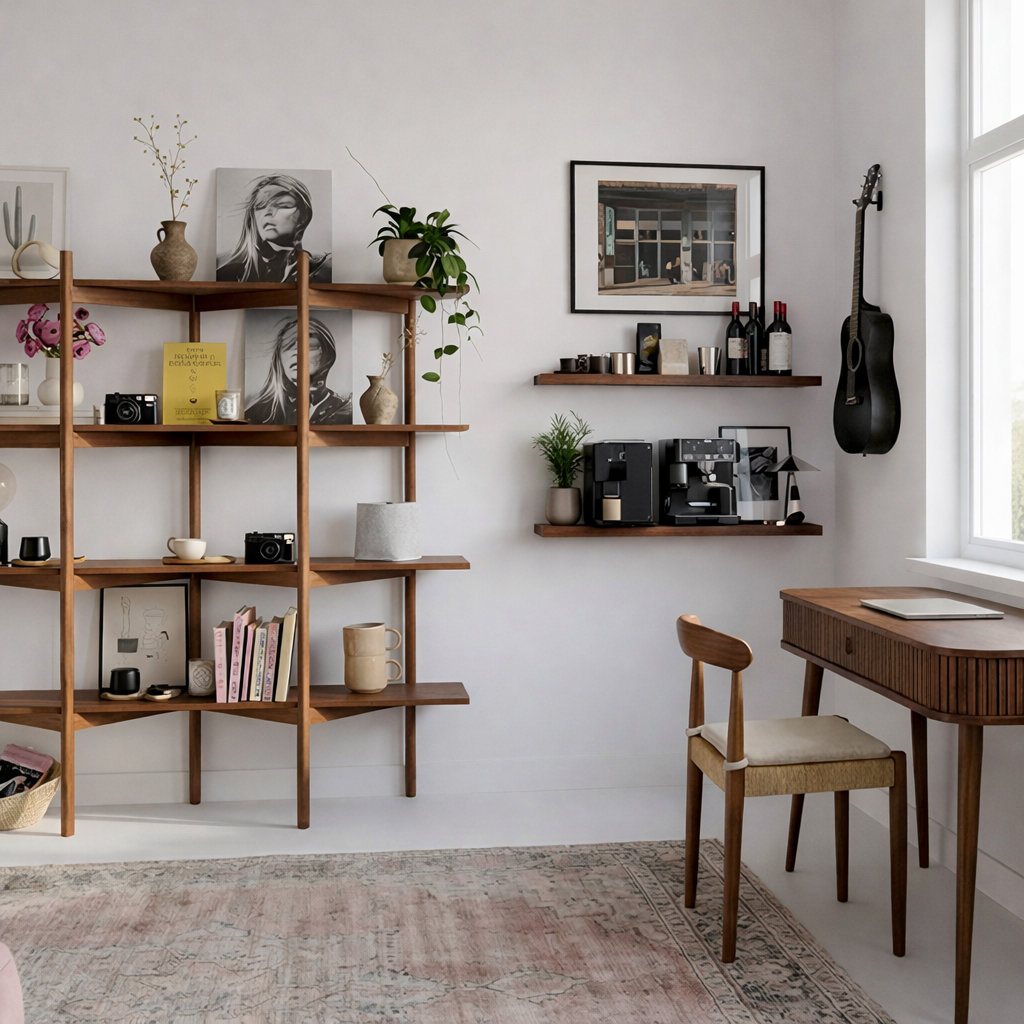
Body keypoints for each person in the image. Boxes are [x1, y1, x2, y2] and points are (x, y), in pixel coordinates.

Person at [217, 174, 331, 283]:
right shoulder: (228, 274)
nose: (268, 212)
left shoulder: (325, 270)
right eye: (260, 206)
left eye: (283, 205)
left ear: (304, 216)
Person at [245, 316, 351, 425]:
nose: (296, 352)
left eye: (308, 345)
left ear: (328, 355)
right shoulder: (257, 416)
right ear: (279, 358)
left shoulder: (346, 413)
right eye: (288, 346)